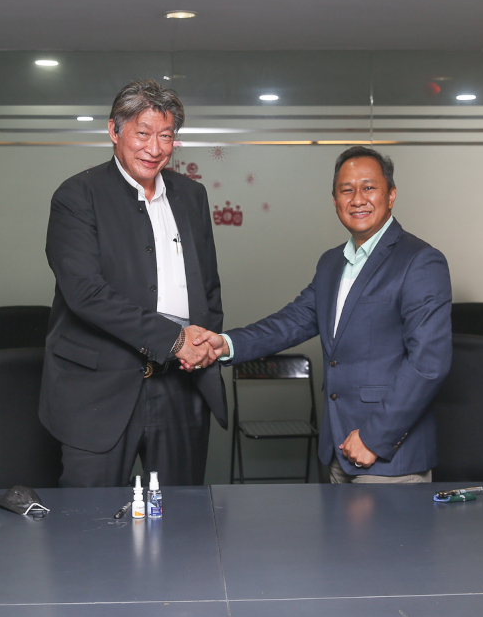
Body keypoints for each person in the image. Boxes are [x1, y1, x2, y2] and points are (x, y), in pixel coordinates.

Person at [193, 146, 452, 483]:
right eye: (346, 190)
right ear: (335, 200)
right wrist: (226, 344)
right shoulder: (332, 262)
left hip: (389, 456)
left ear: (391, 195)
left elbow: (429, 363)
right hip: (337, 449)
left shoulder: (419, 261)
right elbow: (292, 321)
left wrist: (374, 437)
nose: (357, 199)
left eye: (369, 187)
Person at [40, 79, 226, 488]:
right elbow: (86, 294)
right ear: (114, 130)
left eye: (166, 136)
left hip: (180, 386)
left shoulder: (191, 196)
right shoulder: (77, 196)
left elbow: (208, 287)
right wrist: (175, 339)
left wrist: (202, 345)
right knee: (90, 518)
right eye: (143, 133)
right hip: (99, 392)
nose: (155, 148)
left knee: (181, 515)